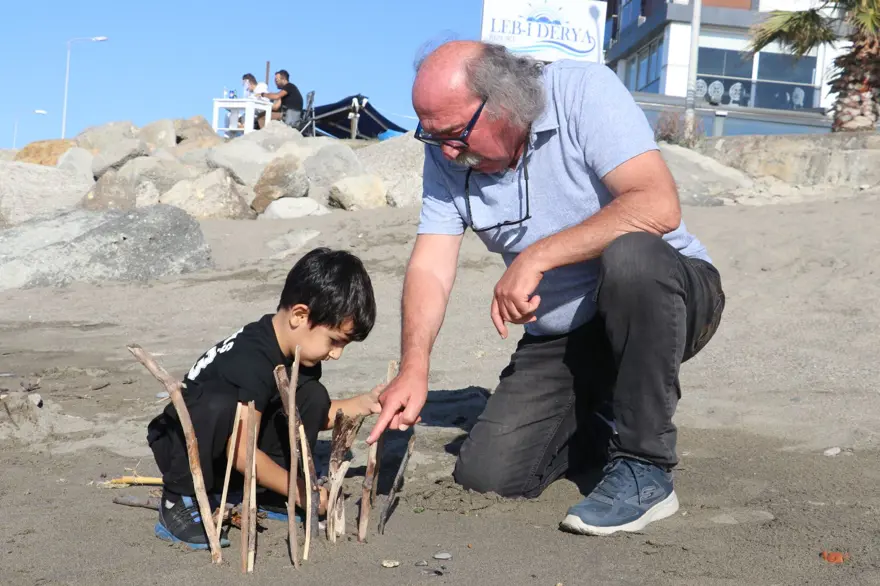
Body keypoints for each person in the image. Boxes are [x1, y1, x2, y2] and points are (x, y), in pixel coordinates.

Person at [366, 41, 726, 536]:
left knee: (632, 255)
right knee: (489, 474)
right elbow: (430, 264)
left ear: (505, 105)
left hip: (669, 297)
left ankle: (646, 467)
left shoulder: (583, 91)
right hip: (567, 333)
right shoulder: (447, 152)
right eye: (431, 136)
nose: (448, 151)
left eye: (453, 134)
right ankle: (598, 421)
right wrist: (414, 368)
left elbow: (657, 206)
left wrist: (539, 255)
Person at [147, 247, 382, 549]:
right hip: (188, 450)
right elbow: (242, 450)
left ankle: (270, 494)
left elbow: (315, 412)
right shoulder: (251, 359)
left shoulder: (300, 353)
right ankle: (177, 500)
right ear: (300, 315)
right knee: (218, 403)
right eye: (334, 341)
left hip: (236, 452)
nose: (336, 354)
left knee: (311, 394)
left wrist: (364, 404)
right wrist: (301, 491)